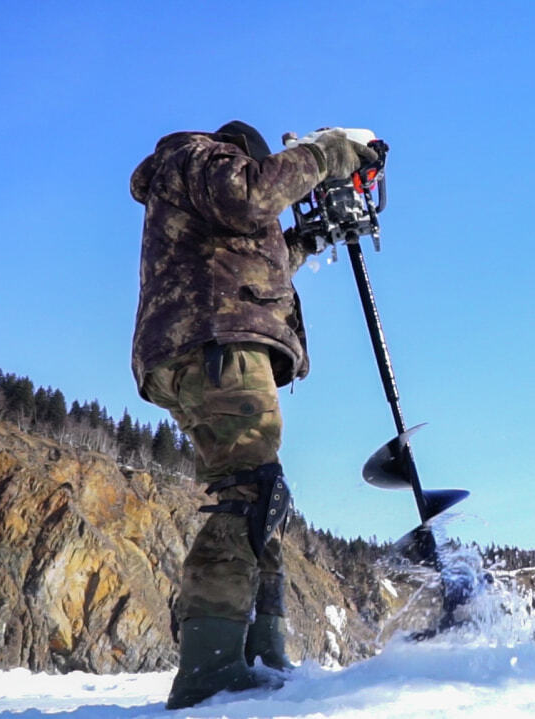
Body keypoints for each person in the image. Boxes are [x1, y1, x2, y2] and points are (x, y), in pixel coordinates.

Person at [129, 120, 375, 709]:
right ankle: (209, 673)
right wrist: (327, 153)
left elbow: (252, 263)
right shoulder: (197, 156)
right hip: (216, 343)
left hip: (204, 345)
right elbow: (251, 197)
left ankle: (261, 658)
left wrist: (309, 240)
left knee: (260, 495)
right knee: (247, 497)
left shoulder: (202, 205)